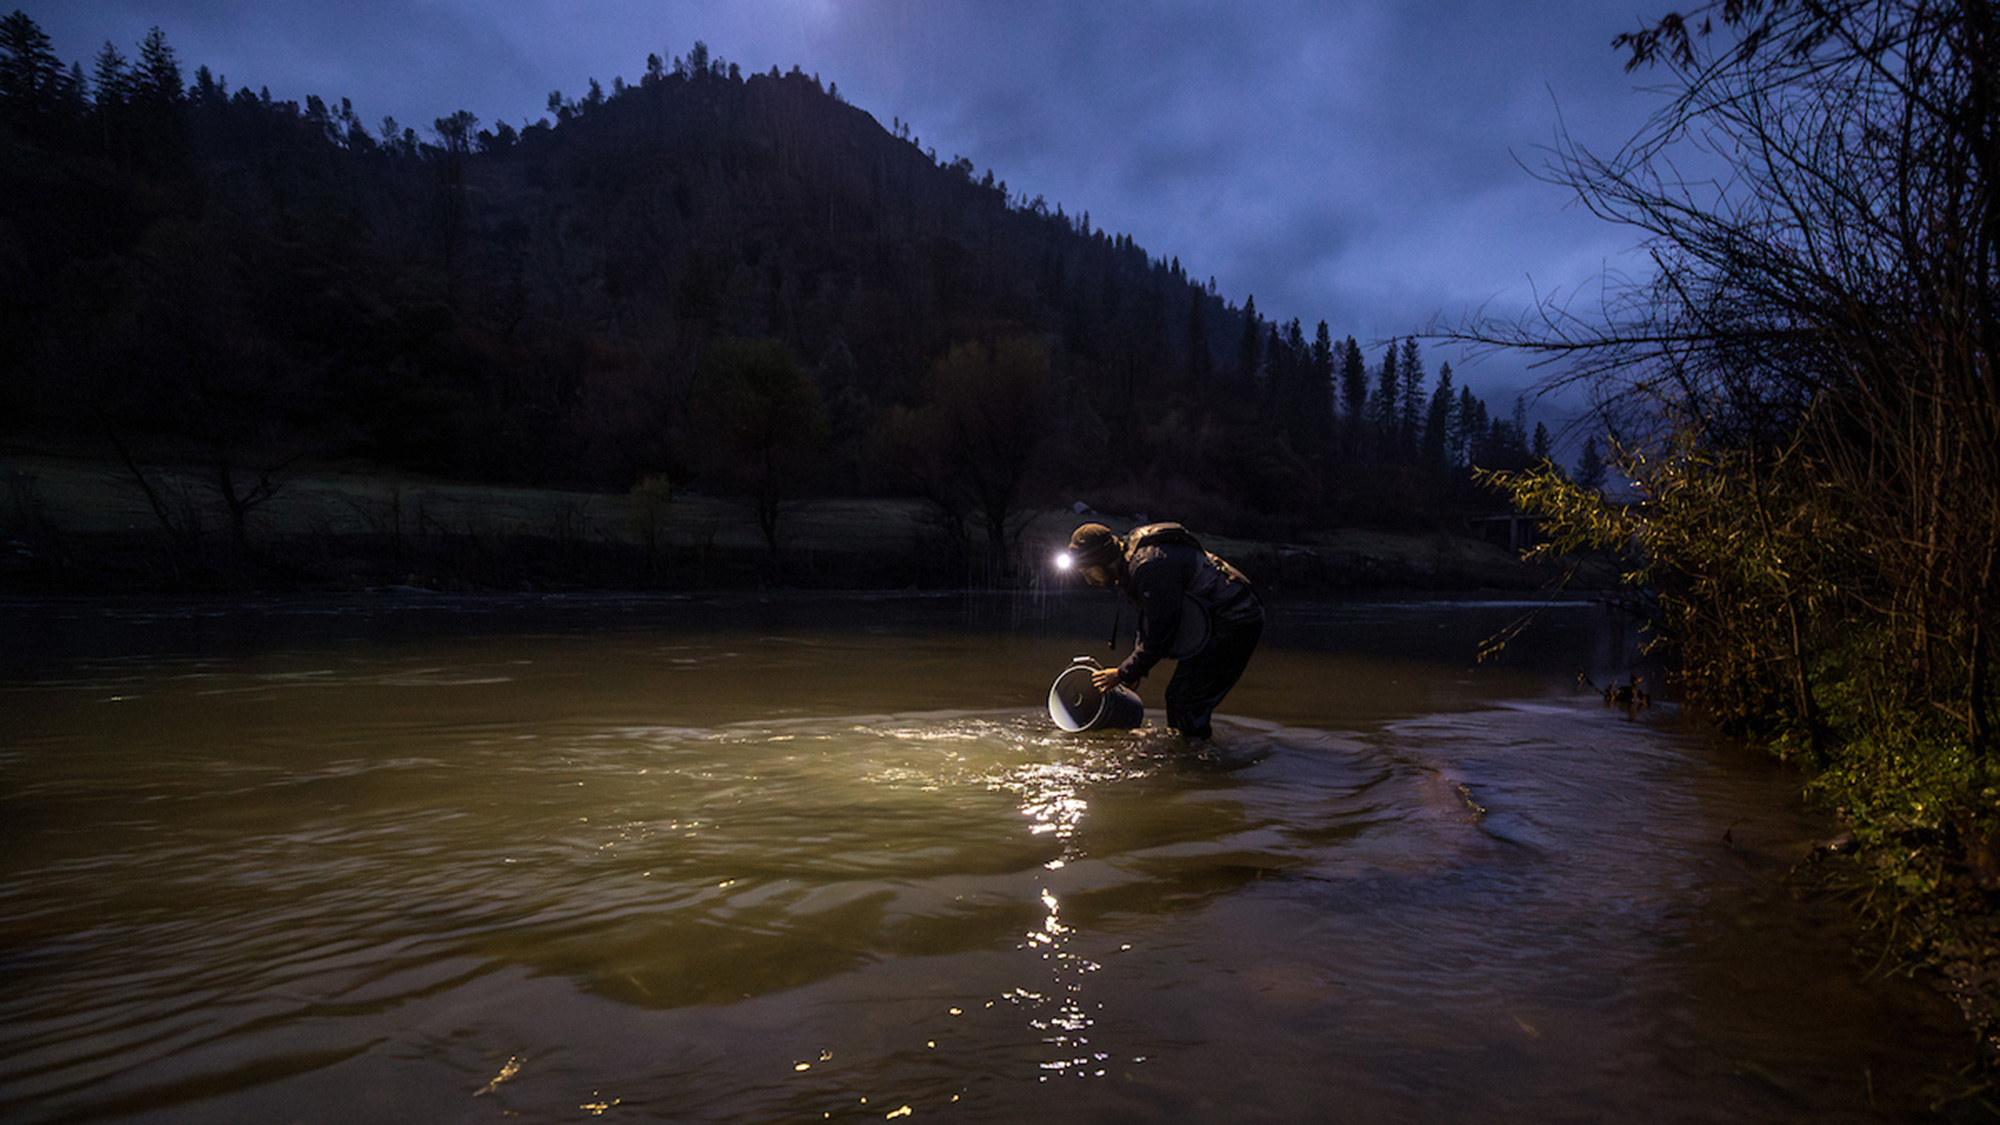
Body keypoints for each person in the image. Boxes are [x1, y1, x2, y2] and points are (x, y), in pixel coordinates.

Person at [1064, 521, 1263, 741]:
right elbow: (1150, 621)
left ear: (1102, 561)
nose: (1089, 580)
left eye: (1088, 572)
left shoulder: (1149, 566)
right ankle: (1187, 751)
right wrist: (1133, 672)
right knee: (1179, 697)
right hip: (1212, 618)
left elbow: (1160, 635)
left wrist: (1122, 673)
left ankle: (1196, 762)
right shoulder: (1131, 562)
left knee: (1187, 701)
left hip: (1236, 618)